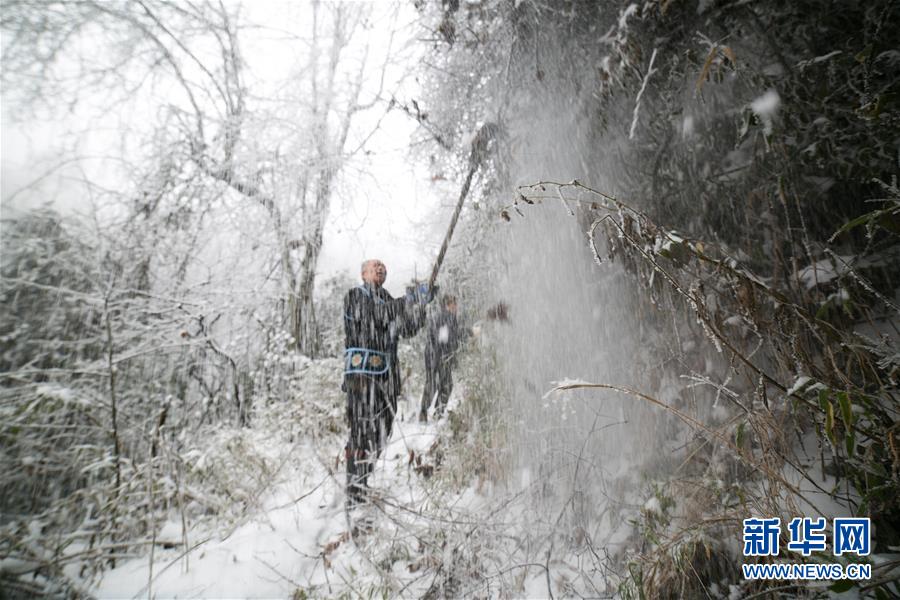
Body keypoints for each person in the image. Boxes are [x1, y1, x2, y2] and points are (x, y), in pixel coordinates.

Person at [342, 259, 434, 505]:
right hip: (361, 377)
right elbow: (375, 316)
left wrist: (420, 307)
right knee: (361, 430)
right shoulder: (355, 297)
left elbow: (408, 328)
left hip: (387, 377)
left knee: (382, 430)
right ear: (363, 273)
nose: (380, 269)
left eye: (383, 266)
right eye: (375, 266)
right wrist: (409, 299)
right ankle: (354, 488)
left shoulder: (389, 300)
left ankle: (364, 478)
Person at [419, 294, 462, 423]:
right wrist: (469, 332)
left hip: (440, 356)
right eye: (454, 304)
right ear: (448, 305)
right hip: (437, 356)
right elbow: (445, 338)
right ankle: (427, 413)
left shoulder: (448, 317)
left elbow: (449, 337)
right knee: (436, 384)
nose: (456, 307)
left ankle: (435, 412)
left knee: (444, 384)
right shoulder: (444, 317)